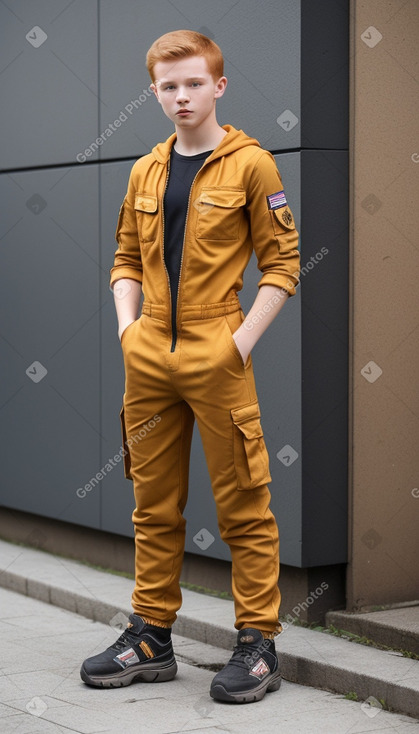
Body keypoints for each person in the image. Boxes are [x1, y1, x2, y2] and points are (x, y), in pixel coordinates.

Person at [80, 29, 300, 704]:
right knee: (154, 507)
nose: (181, 96)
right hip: (147, 356)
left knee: (243, 506)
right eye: (168, 86)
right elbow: (123, 259)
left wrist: (236, 343)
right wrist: (127, 329)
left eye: (193, 83)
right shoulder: (144, 168)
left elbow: (283, 265)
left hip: (216, 351)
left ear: (218, 86)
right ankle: (150, 636)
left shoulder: (251, 164)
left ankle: (257, 644)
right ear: (155, 91)